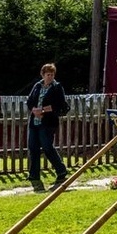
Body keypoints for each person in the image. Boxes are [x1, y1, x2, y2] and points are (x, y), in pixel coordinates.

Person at [26, 62, 70, 192]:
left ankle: (61, 171)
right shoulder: (37, 86)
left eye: (52, 74)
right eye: (48, 75)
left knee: (47, 146)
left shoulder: (57, 87)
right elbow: (29, 101)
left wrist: (44, 111)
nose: (50, 77)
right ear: (43, 75)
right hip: (35, 121)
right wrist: (34, 110)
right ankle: (34, 174)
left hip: (48, 122)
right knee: (33, 147)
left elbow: (60, 105)